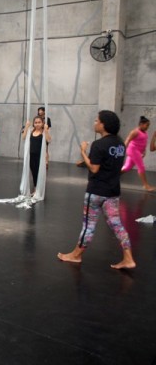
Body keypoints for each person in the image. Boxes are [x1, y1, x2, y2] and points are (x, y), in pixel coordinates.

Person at [57, 110, 136, 270]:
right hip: (113, 192)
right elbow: (115, 166)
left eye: (96, 121)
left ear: (103, 124)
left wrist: (82, 152)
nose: (94, 123)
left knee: (89, 225)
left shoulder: (99, 144)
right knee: (117, 225)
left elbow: (94, 168)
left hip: (96, 191)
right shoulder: (120, 144)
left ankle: (76, 255)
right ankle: (128, 258)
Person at [121, 116, 154, 191]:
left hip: (137, 151)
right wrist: (122, 150)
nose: (148, 127)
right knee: (141, 166)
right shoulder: (135, 132)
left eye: (148, 125)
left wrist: (144, 151)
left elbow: (143, 142)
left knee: (127, 167)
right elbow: (127, 140)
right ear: (141, 124)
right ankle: (146, 185)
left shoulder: (144, 132)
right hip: (133, 150)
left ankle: (113, 176)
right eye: (147, 125)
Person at [21, 116, 51, 189]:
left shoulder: (43, 132)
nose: (37, 124)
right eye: (36, 123)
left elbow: (49, 140)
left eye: (39, 122)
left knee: (38, 172)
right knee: (33, 172)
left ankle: (38, 188)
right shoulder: (31, 132)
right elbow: (23, 137)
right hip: (31, 155)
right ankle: (35, 187)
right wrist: (26, 127)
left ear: (42, 123)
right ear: (33, 124)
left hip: (39, 156)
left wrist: (46, 130)